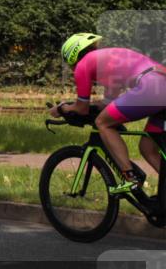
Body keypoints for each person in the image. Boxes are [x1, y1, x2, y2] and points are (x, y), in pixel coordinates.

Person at [50, 33, 166, 193]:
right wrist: (84, 106)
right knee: (148, 148)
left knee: (103, 123)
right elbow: (108, 103)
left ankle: (131, 178)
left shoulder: (82, 65)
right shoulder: (109, 60)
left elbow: (81, 108)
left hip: (150, 87)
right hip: (160, 82)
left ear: (71, 56)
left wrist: (62, 108)